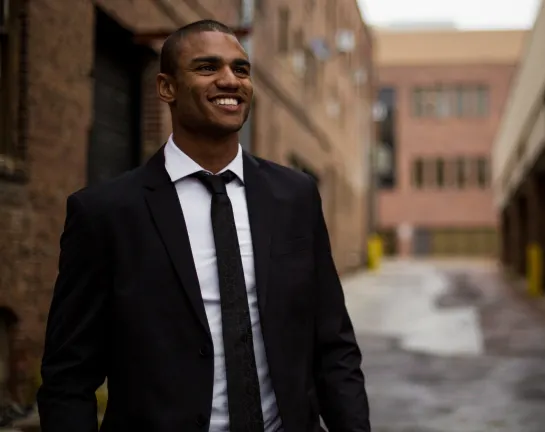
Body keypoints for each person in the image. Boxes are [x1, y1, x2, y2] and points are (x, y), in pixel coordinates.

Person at [36, 20, 370, 432]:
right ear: (166, 88)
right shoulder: (105, 212)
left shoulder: (295, 196)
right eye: (207, 67)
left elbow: (333, 344)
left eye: (241, 69)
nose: (230, 80)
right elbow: (69, 374)